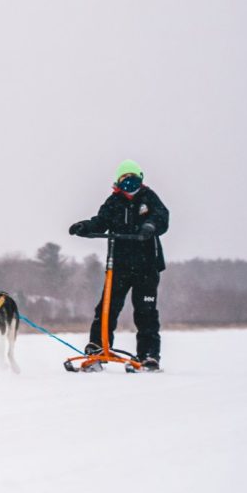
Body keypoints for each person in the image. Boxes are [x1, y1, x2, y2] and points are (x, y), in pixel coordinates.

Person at [68, 159, 170, 371]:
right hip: (119, 266)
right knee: (106, 307)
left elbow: (162, 217)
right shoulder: (113, 202)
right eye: (125, 180)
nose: (129, 184)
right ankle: (97, 348)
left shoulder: (149, 198)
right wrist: (84, 227)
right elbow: (100, 222)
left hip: (147, 267)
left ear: (140, 180)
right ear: (118, 182)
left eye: (133, 180)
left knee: (145, 312)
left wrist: (150, 226)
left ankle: (149, 355)